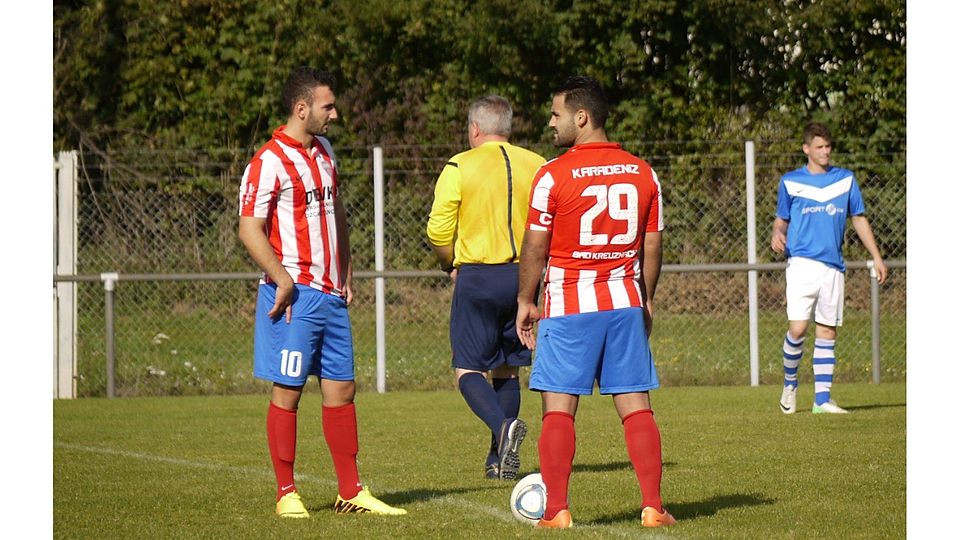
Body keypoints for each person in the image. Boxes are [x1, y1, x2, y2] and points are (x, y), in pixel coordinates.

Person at [238, 66, 406, 518]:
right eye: (327, 106)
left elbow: (338, 215)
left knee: (343, 390)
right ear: (302, 108)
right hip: (294, 299)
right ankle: (286, 492)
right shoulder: (268, 161)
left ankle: (350, 490)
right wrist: (283, 278)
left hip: (331, 295)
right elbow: (249, 228)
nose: (334, 113)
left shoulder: (326, 150)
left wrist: (347, 268)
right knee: (287, 391)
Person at [515, 76, 676, 529]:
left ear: (581, 118)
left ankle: (557, 511)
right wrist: (645, 299)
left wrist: (526, 299)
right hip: (624, 301)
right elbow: (652, 246)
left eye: (556, 114)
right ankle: (652, 507)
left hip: (569, 305)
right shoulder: (643, 172)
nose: (551, 123)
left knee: (559, 408)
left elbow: (534, 246)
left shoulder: (552, 174)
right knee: (635, 405)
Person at [426, 95, 546, 480]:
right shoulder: (538, 165)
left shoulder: (460, 164)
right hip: (524, 276)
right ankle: (498, 461)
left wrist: (449, 264)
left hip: (478, 275)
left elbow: (438, 229)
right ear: (508, 129)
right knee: (508, 370)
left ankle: (503, 429)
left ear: (474, 129)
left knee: (467, 369)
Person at [771, 122, 888, 414]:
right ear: (806, 149)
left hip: (833, 266)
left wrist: (876, 255)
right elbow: (781, 218)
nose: (825, 152)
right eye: (819, 147)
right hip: (801, 264)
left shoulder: (845, 180)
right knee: (797, 329)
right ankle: (790, 385)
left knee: (827, 331)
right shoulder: (790, 182)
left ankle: (822, 401)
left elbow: (858, 218)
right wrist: (776, 232)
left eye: (828, 147)